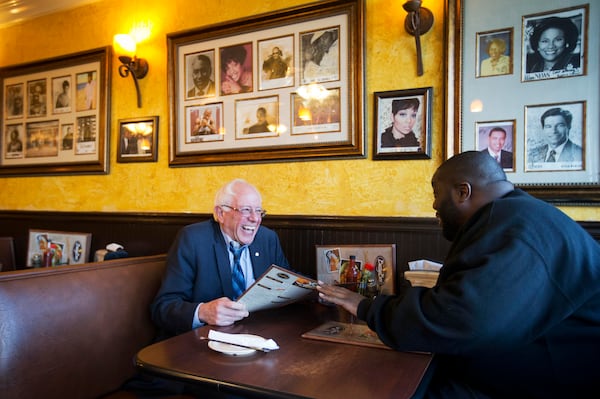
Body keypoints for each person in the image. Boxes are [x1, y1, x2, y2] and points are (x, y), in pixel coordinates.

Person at [317, 150, 600, 398]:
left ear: (463, 192)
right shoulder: (514, 215)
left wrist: (367, 307)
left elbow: (459, 319)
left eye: (436, 193)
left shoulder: (515, 228)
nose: (434, 205)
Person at [151, 178, 290, 339]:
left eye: (259, 211)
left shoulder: (267, 238)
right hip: (203, 342)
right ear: (220, 213)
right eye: (245, 210)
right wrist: (202, 312)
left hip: (258, 337)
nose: (255, 218)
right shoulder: (193, 239)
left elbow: (288, 284)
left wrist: (321, 294)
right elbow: (163, 307)